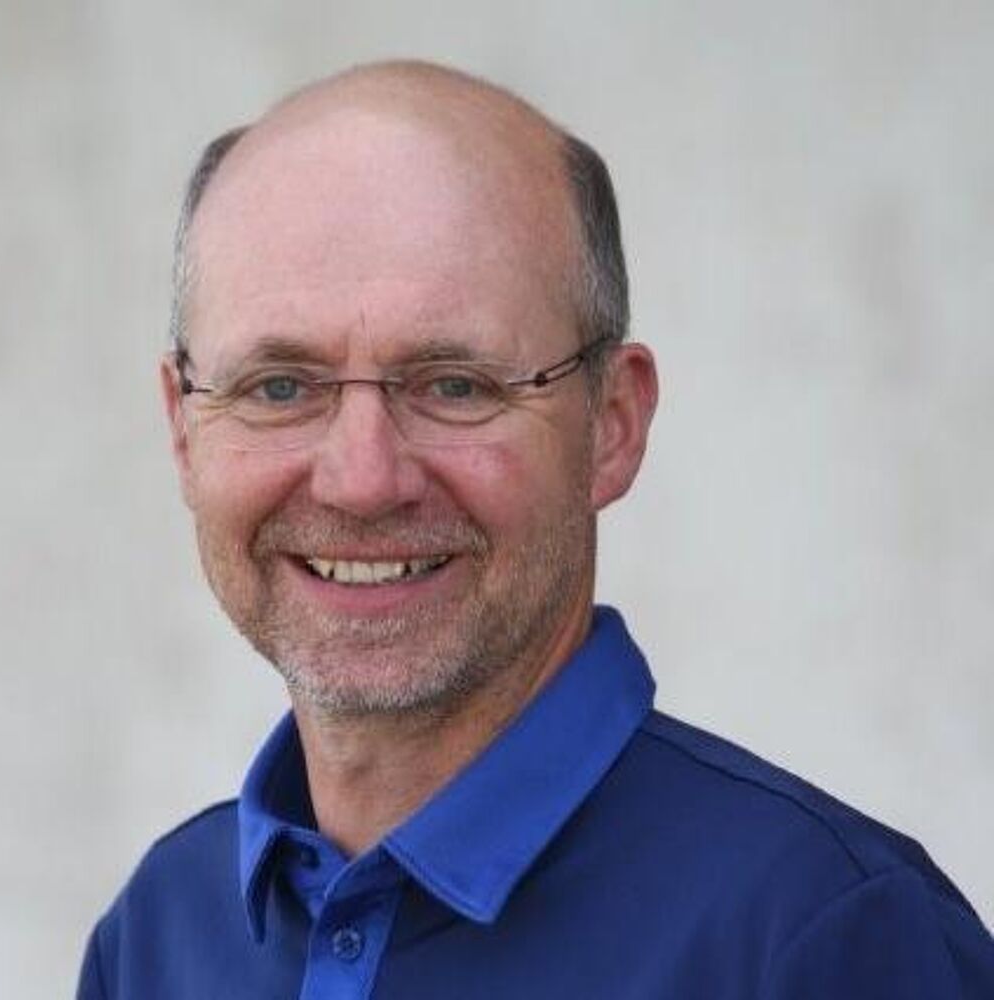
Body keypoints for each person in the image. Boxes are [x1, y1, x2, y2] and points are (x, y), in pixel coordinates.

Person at [77, 60, 994, 998]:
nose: (362, 481)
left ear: (612, 424)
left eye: (454, 385)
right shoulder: (156, 936)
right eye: (279, 387)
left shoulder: (822, 940)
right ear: (183, 426)